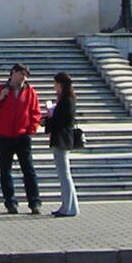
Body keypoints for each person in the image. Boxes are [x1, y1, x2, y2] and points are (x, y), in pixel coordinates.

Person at [0, 63, 43, 215]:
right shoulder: (0, 89)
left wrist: (31, 129)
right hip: (4, 135)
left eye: (26, 76)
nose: (24, 78)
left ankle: (34, 202)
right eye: (22, 74)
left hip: (22, 136)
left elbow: (35, 113)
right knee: (5, 171)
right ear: (13, 73)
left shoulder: (30, 92)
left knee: (28, 170)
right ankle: (10, 202)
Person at [46, 71, 80, 218]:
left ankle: (69, 207)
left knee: (64, 174)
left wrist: (48, 117)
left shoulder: (66, 100)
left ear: (60, 84)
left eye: (55, 83)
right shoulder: (67, 99)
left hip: (62, 138)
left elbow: (60, 121)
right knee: (64, 174)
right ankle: (67, 205)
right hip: (63, 137)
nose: (54, 86)